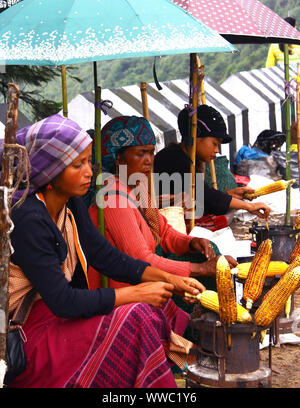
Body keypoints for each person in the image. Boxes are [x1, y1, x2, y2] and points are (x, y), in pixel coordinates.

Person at [5, 114, 206, 388]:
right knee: (136, 315)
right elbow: (62, 301)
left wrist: (168, 279)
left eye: (89, 162)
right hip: (31, 335)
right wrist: (134, 293)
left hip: (62, 319)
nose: (89, 171)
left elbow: (104, 255)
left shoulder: (69, 202)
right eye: (78, 164)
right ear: (49, 170)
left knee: (144, 312)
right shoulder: (27, 218)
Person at [88, 115, 238, 300]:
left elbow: (164, 231)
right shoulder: (112, 197)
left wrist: (190, 242)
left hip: (149, 279)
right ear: (118, 157)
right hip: (128, 293)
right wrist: (199, 269)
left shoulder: (137, 187)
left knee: (206, 252)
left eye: (151, 152)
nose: (149, 161)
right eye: (141, 153)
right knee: (204, 276)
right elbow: (142, 261)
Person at [153, 104, 271, 220]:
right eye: (214, 144)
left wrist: (230, 195)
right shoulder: (175, 159)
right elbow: (207, 197)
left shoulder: (188, 158)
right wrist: (248, 206)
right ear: (196, 137)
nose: (217, 150)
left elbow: (202, 197)